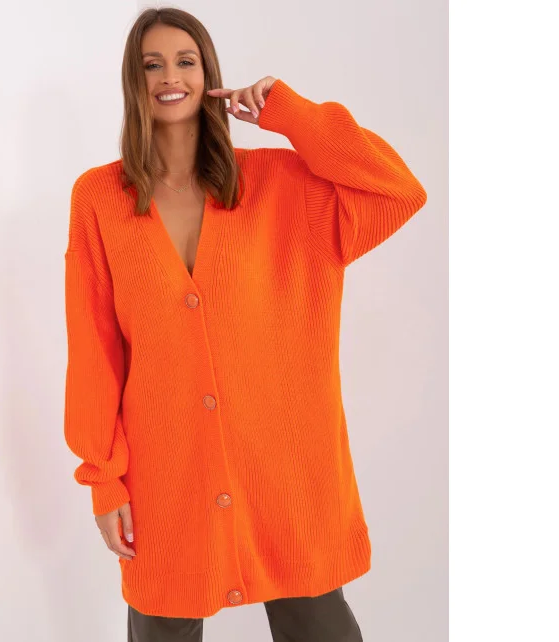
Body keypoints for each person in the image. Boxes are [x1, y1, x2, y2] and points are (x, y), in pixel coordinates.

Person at [63, 7, 427, 642]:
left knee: (317, 625)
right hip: (165, 471)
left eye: (185, 61)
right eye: (151, 64)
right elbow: (94, 346)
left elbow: (397, 190)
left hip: (286, 470)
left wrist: (291, 113)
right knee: (161, 623)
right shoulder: (98, 198)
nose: (169, 77)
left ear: (208, 74)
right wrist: (104, 480)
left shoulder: (283, 184)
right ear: (132, 80)